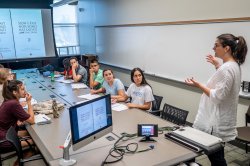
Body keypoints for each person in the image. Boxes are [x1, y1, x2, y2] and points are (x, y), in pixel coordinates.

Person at [185, 33, 248, 166]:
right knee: (213, 155)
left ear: (226, 49)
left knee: (214, 157)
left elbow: (218, 96)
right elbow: (225, 85)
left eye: (216, 45)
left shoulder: (227, 69)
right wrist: (217, 65)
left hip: (213, 123)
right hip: (217, 120)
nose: (213, 48)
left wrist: (199, 85)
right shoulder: (232, 66)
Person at [0, 80, 35, 149]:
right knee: (36, 143)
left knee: (35, 135)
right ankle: (23, 157)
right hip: (6, 140)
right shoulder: (13, 103)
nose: (25, 91)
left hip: (7, 133)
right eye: (22, 89)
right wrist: (29, 102)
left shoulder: (8, 100)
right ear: (14, 92)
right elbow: (32, 120)